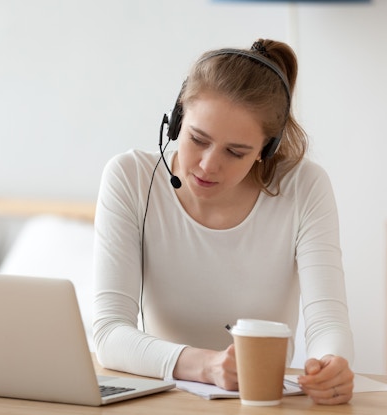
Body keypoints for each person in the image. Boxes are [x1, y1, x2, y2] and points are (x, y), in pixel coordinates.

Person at [92, 38, 355, 405]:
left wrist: (333, 363)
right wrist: (208, 366)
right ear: (177, 120)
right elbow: (108, 333)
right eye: (198, 139)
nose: (208, 165)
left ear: (267, 149)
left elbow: (327, 323)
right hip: (161, 404)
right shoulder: (131, 177)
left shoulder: (304, 186)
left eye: (236, 152)